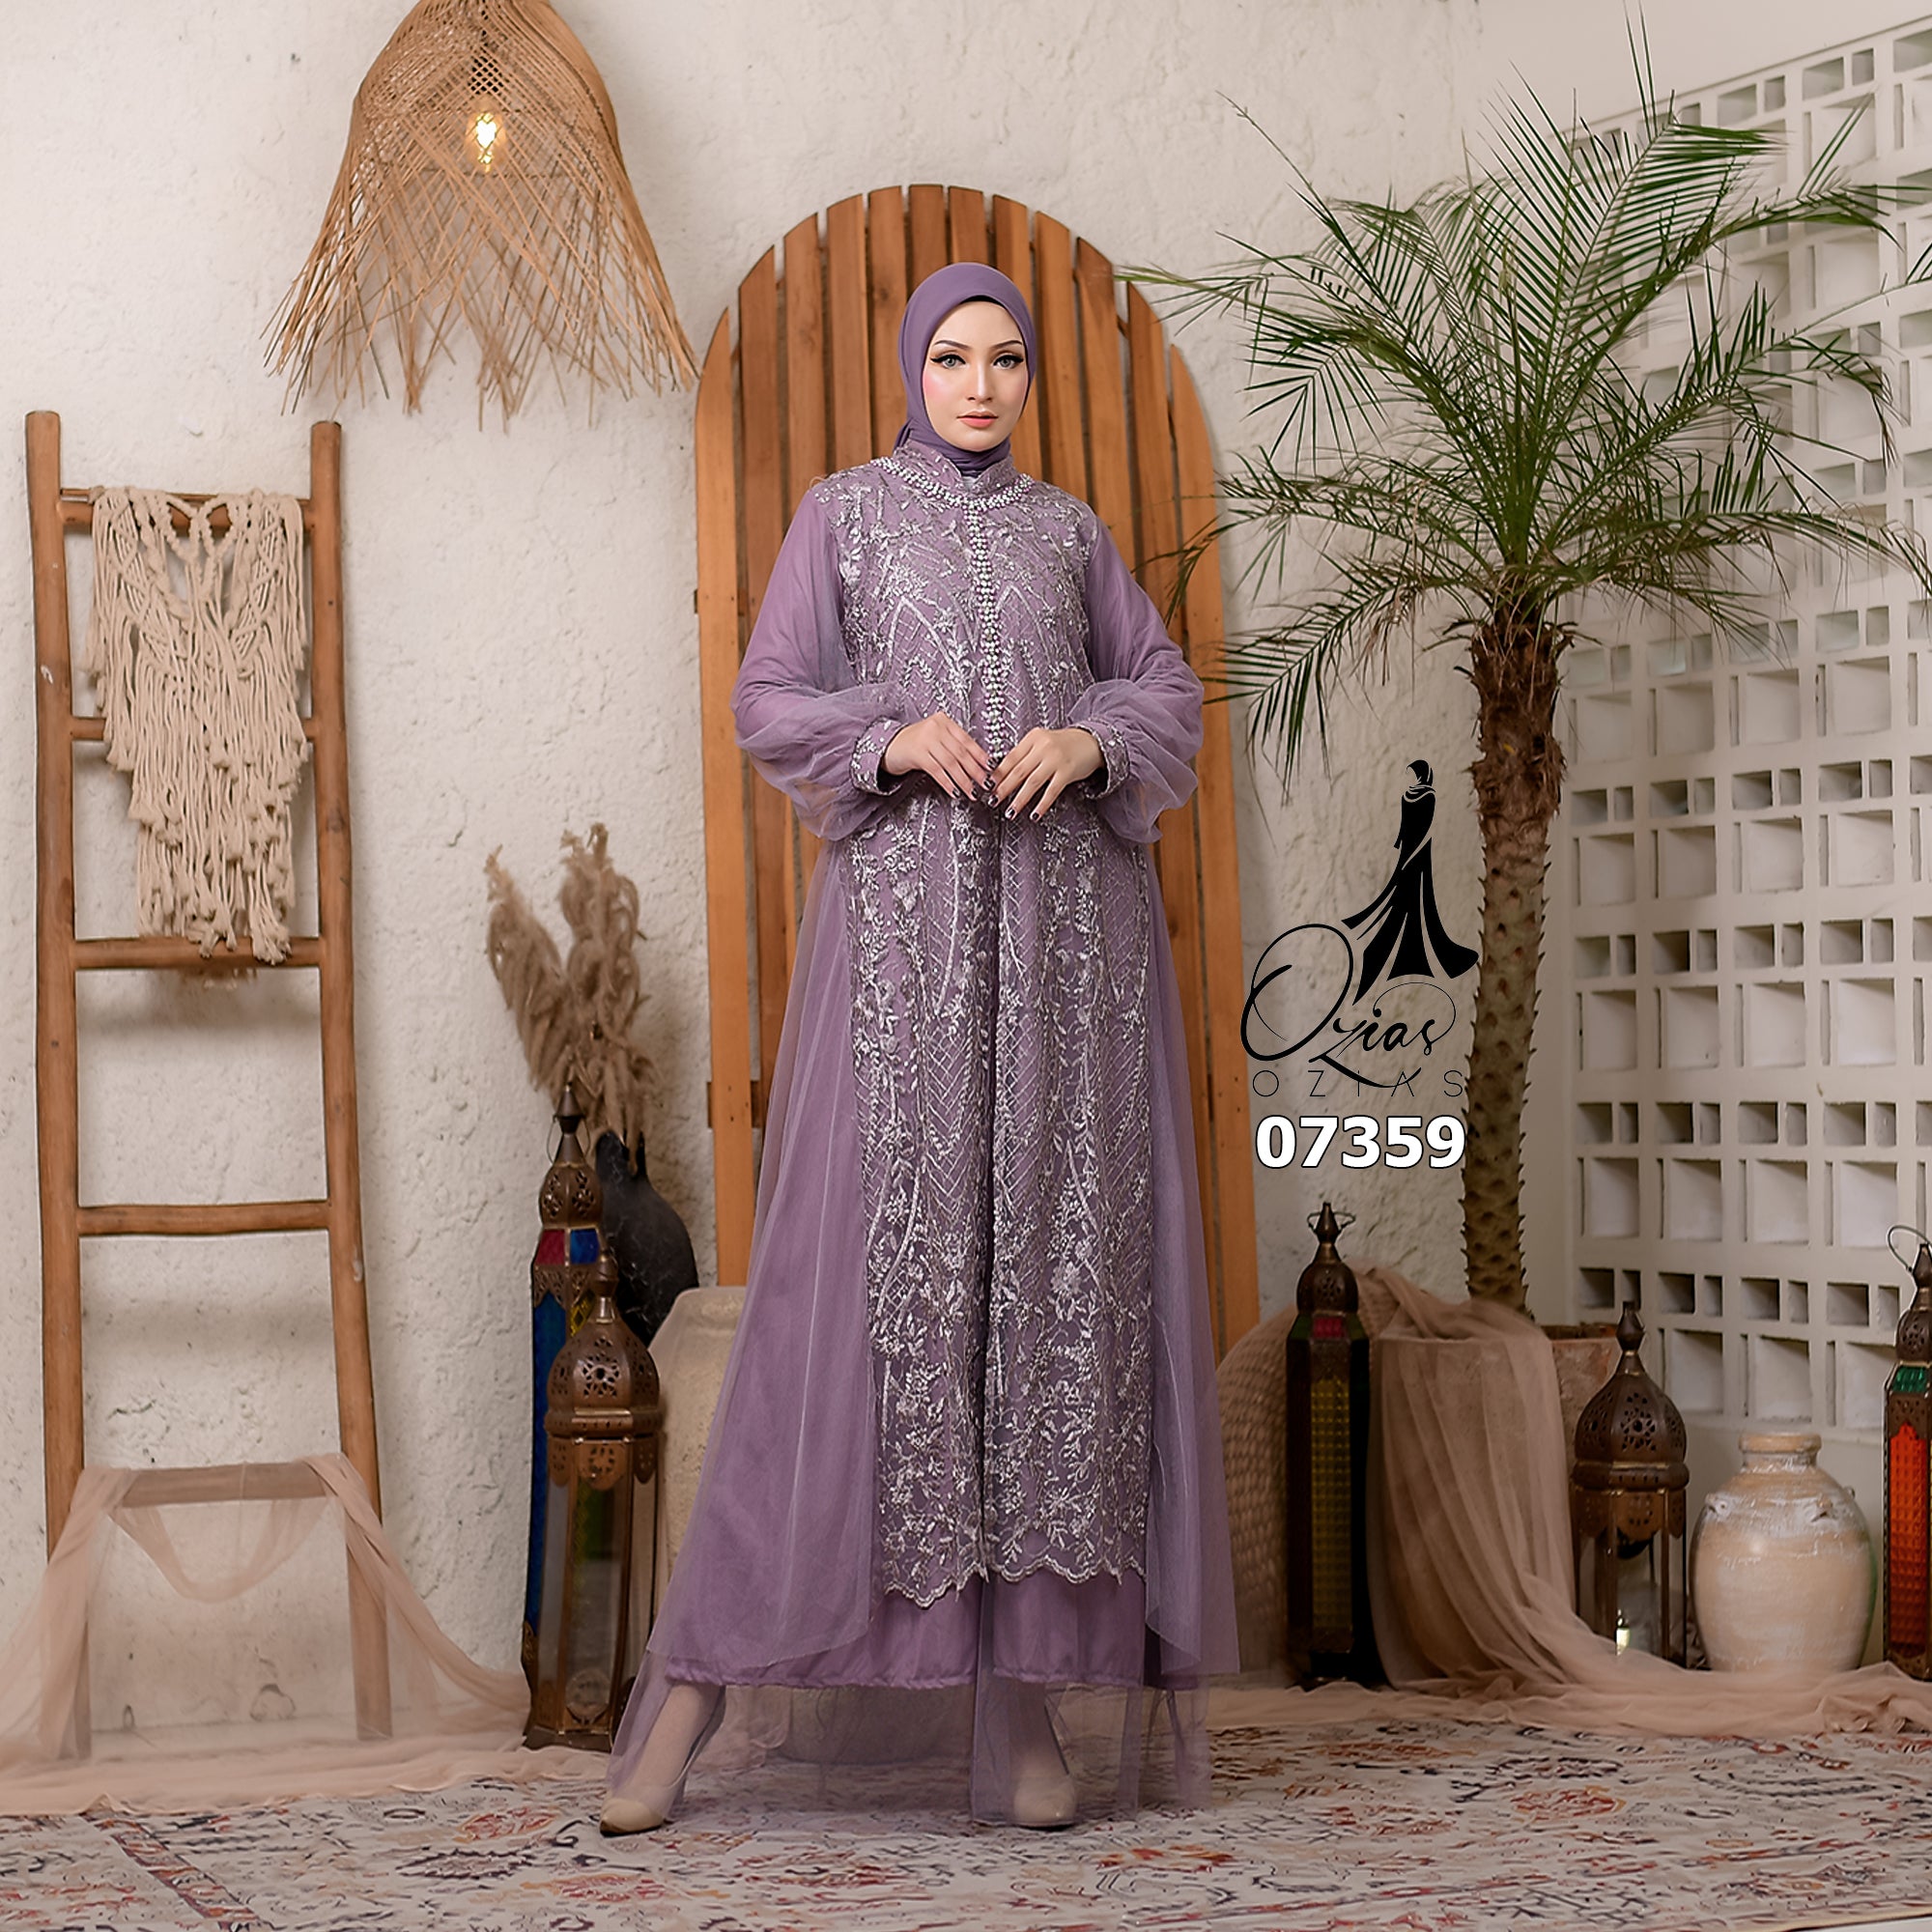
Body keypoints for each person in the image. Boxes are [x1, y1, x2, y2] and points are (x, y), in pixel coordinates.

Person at [601, 262, 1237, 1834]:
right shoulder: (846, 517)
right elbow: (767, 697)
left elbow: (1167, 688)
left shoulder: (1069, 533)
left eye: (1006, 359)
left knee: (1047, 1304)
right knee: (849, 1315)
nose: (980, 384)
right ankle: (686, 1704)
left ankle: (1020, 1709)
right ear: (913, 366)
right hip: (904, 968)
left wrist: (1090, 735)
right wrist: (888, 733)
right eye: (953, 357)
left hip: (1069, 968)